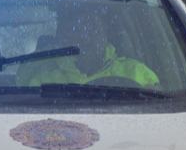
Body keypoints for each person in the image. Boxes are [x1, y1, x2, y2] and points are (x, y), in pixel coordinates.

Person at [17, 6, 159, 88]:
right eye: (78, 31)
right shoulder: (44, 80)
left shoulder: (137, 72)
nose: (86, 37)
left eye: (93, 28)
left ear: (106, 33)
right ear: (65, 37)